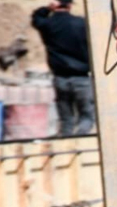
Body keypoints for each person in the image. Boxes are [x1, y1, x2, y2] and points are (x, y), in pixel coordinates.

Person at [31, 0, 94, 136]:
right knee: (87, 116)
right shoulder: (82, 24)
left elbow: (36, 18)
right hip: (82, 78)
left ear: (55, 6)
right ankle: (81, 140)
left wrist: (47, 9)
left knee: (66, 119)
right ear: (70, 6)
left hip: (60, 79)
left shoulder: (48, 24)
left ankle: (66, 143)